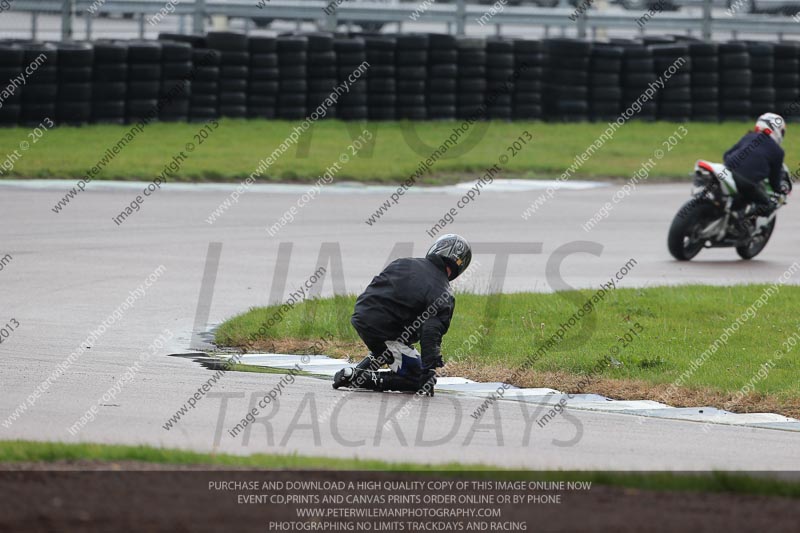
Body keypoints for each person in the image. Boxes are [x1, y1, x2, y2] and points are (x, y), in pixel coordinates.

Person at [332, 234, 472, 395]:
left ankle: (370, 362)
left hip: (361, 316)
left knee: (398, 343)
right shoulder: (443, 292)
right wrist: (429, 369)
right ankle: (356, 377)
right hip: (386, 332)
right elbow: (430, 332)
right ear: (461, 265)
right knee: (418, 380)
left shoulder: (403, 262)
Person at [723, 113, 789, 228]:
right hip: (746, 183)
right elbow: (774, 180)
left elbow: (727, 155)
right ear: (776, 129)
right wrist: (779, 192)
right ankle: (741, 225)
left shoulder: (749, 136)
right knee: (767, 205)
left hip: (726, 173)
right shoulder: (777, 151)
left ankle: (730, 215)